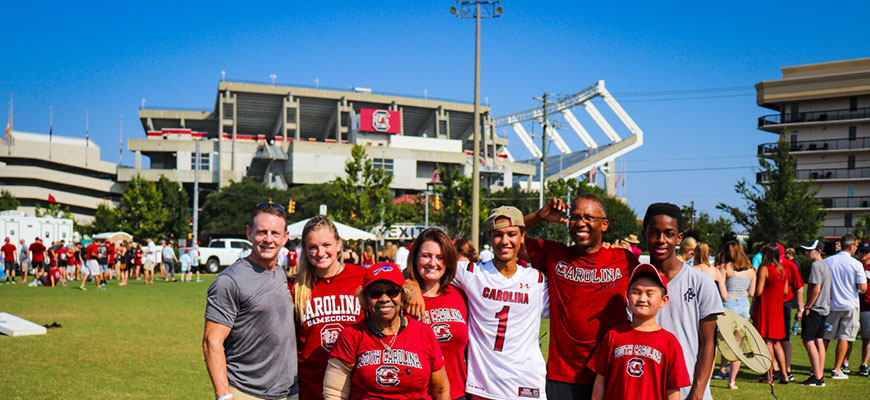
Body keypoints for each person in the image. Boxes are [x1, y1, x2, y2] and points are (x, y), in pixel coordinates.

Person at [523, 195, 637, 399]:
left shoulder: (625, 260)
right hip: (563, 376)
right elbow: (506, 235)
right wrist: (540, 216)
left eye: (589, 217)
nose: (580, 223)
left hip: (610, 371)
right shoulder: (554, 254)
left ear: (604, 225)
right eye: (575, 217)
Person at [450, 206, 549, 399]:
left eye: (512, 234)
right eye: (498, 235)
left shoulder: (536, 280)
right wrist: (412, 288)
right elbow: (425, 269)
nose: (505, 241)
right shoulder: (471, 273)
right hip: (484, 386)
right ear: (489, 238)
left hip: (527, 383)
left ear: (522, 237)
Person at [203, 200, 299, 400]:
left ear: (285, 238)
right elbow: (211, 342)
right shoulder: (230, 280)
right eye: (262, 232)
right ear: (249, 233)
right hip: (248, 393)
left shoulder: (281, 274)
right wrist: (224, 396)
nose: (268, 239)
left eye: (275, 233)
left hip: (290, 393)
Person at [323, 262, 449, 400]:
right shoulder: (352, 335)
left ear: (403, 296)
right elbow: (334, 392)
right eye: (375, 293)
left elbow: (440, 390)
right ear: (366, 298)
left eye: (392, 292)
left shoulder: (424, 333)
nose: (384, 299)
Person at [642, 203, 724, 399]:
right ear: (644, 234)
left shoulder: (700, 282)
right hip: (645, 390)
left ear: (679, 238)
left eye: (669, 233)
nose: (661, 240)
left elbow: (708, 344)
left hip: (689, 392)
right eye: (654, 233)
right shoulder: (635, 284)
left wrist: (697, 393)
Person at [292, 216, 367, 400]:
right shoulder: (295, 287)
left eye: (327, 245)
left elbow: (396, 286)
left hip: (357, 387)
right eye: (313, 247)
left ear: (339, 244)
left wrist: (412, 287)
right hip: (311, 388)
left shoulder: (362, 278)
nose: (320, 253)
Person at [589, 263, 691, 400]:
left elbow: (673, 390)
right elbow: (600, 381)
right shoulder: (613, 335)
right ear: (627, 297)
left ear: (663, 300)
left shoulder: (669, 342)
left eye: (650, 294)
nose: (642, 299)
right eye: (636, 292)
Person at [406, 228, 468, 400]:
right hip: (418, 396)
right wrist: (411, 285)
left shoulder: (461, 295)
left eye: (440, 257)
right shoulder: (401, 298)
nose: (433, 263)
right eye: (426, 255)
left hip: (459, 394)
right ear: (415, 257)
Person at [713, 241, 756, 389]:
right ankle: (731, 382)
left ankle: (709, 374)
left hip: (728, 305)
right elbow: (751, 293)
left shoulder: (726, 268)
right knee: (736, 346)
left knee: (716, 344)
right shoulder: (751, 270)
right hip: (744, 306)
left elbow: (723, 294)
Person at [823, 234, 867, 380]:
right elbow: (863, 287)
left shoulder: (828, 261)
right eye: (856, 246)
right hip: (850, 305)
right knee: (845, 337)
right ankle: (837, 369)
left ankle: (817, 366)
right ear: (850, 246)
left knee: (826, 338)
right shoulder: (856, 264)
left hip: (831, 304)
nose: (856, 249)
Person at [752, 244, 789, 384]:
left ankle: (770, 375)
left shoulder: (764, 268)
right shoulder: (782, 269)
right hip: (778, 308)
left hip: (766, 307)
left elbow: (759, 291)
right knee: (777, 342)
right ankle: (784, 374)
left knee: (767, 341)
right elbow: (785, 291)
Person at [798, 239, 830, 386]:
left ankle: (817, 377)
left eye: (809, 250)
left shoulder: (816, 266)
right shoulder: (826, 265)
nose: (806, 253)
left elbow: (816, 289)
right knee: (818, 340)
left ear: (818, 251)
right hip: (824, 308)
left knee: (808, 340)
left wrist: (807, 307)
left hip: (816, 309)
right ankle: (819, 374)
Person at [779, 244, 805, 381]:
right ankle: (776, 370)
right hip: (772, 305)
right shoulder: (767, 265)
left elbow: (798, 288)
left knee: (784, 339)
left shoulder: (790, 265)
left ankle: (787, 369)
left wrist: (800, 308)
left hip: (784, 304)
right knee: (772, 340)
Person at [859, 241, 870, 376]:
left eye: (866, 252)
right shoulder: (855, 265)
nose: (863, 254)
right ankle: (845, 363)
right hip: (854, 304)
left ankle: (864, 364)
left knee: (867, 338)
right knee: (848, 337)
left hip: (868, 306)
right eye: (861, 251)